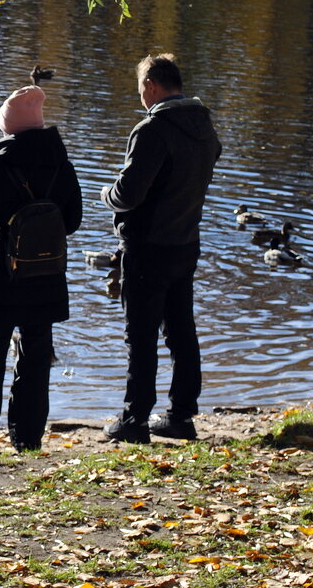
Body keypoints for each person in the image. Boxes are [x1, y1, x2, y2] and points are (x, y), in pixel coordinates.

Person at [101, 54, 221, 443]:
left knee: (141, 334)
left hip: (148, 246)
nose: (141, 97)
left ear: (151, 85)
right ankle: (182, 416)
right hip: (185, 242)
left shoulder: (153, 129)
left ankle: (134, 420)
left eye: (140, 89)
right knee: (181, 331)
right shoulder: (203, 124)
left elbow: (128, 193)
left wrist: (106, 194)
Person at [0, 85, 82, 454]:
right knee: (35, 359)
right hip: (45, 275)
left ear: (8, 127)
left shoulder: (0, 162)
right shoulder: (61, 162)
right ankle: (27, 440)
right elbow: (72, 221)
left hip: (1, 275)